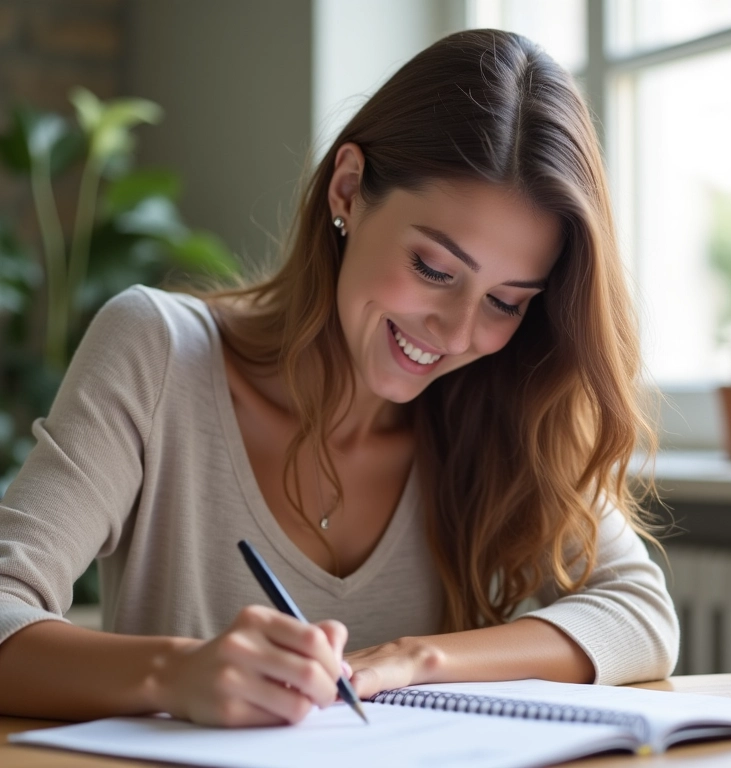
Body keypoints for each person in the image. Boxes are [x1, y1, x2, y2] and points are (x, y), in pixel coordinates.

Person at [0, 29, 678, 727]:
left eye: (505, 301)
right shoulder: (158, 352)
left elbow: (641, 615)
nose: (454, 332)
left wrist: (417, 660)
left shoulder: (503, 404)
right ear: (348, 189)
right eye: (434, 270)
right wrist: (177, 674)